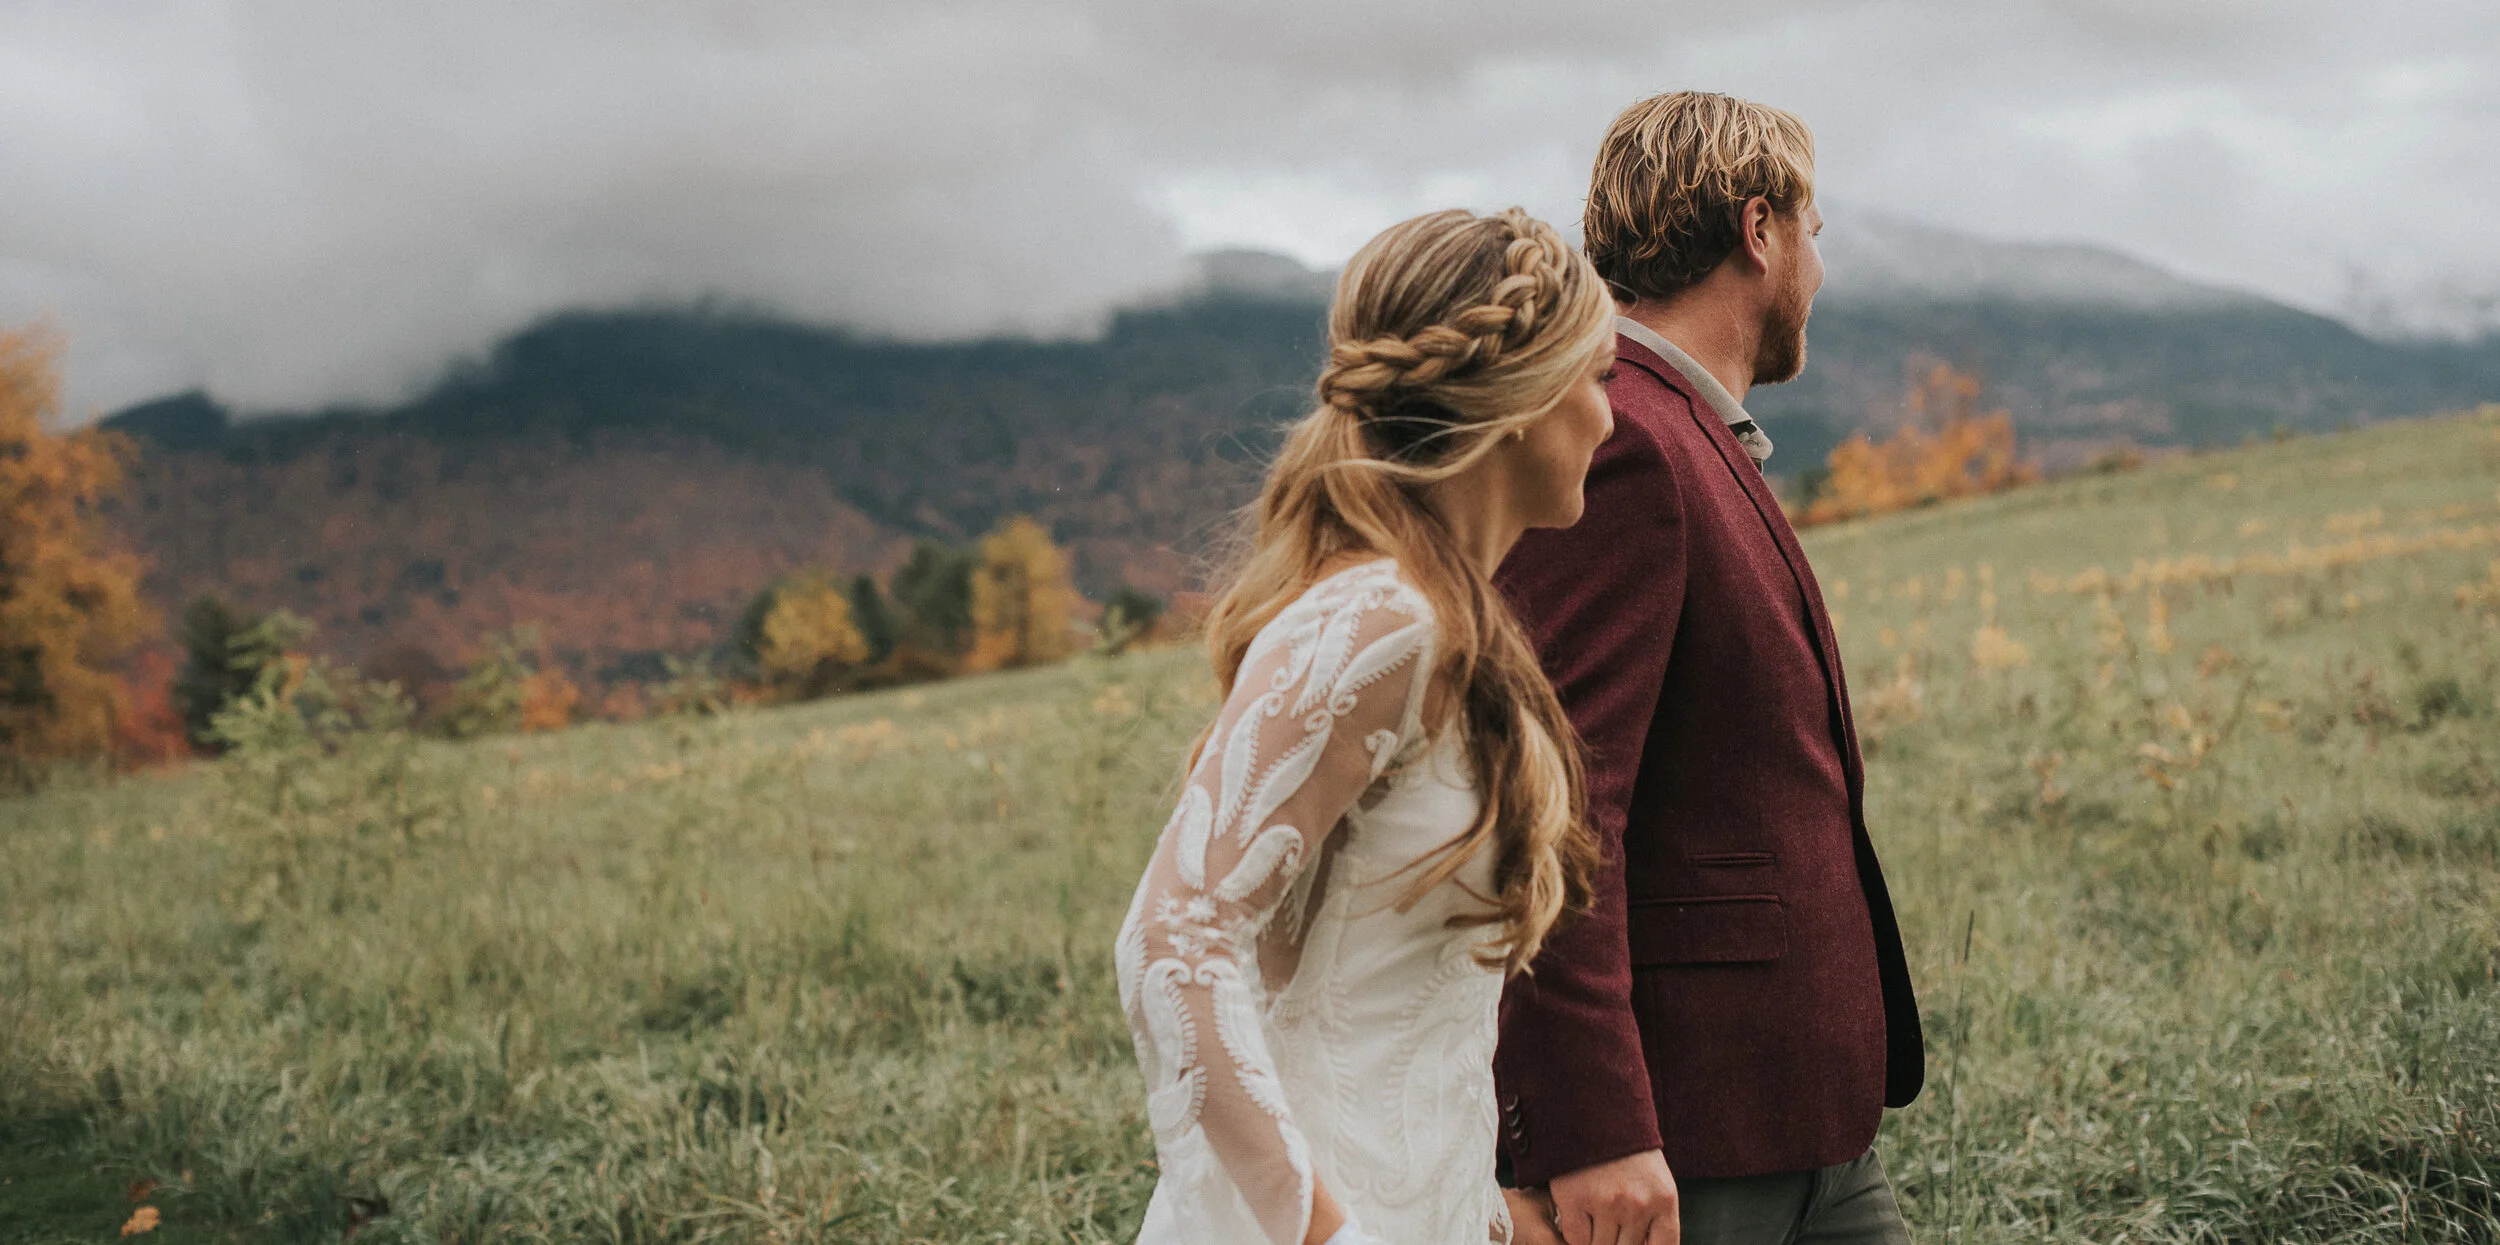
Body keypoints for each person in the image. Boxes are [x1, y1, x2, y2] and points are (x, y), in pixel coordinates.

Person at [1115, 206, 1618, 1244]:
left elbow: (1404, 1008)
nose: (1610, 421)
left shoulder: (1455, 622)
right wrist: (1327, 1235)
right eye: (1597, 379)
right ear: (1520, 403)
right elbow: (1173, 938)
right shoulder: (1373, 622)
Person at [1492, 92, 1927, 1245]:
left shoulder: (1684, 426)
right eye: (1814, 233)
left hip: (1800, 1124)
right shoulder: (1624, 440)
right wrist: (1587, 1127)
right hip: (1682, 1145)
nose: (1818, 272)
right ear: (1758, 231)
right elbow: (1557, 810)